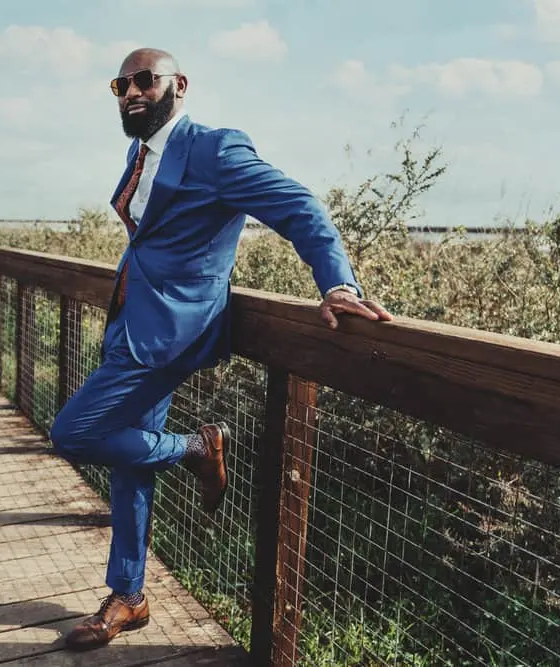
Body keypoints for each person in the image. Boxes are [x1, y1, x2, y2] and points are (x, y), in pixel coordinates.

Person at [49, 47, 393, 651]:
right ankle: (129, 595)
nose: (131, 92)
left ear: (178, 85)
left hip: (170, 334)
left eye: (144, 81)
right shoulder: (141, 150)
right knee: (131, 462)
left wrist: (338, 284)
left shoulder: (215, 149)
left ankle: (196, 447)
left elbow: (297, 206)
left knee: (71, 433)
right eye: (120, 84)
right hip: (133, 325)